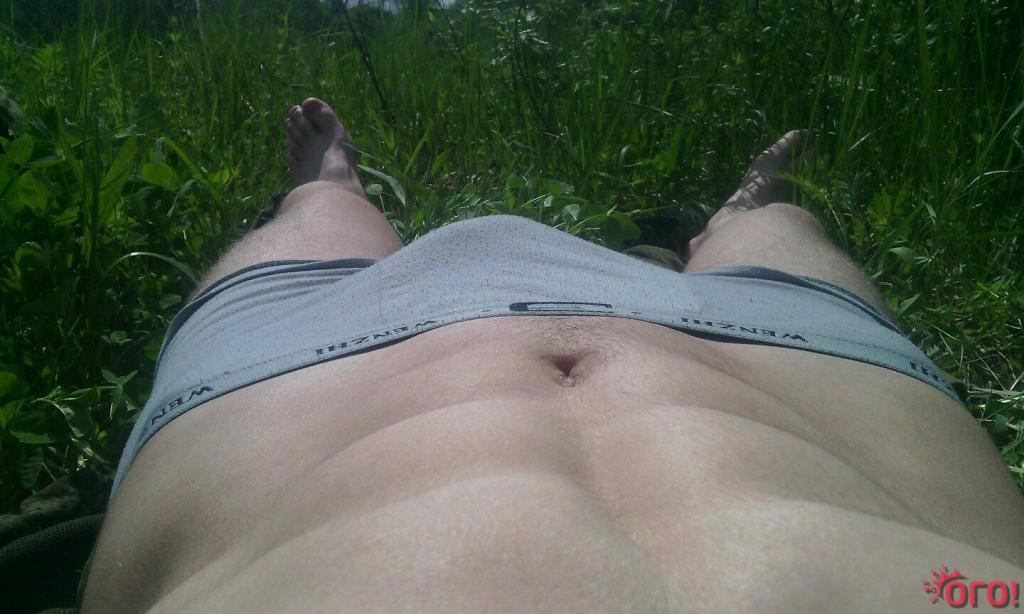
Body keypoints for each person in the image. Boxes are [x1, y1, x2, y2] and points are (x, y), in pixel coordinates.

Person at [82, 98, 1024, 612]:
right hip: (801, 361)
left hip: (306, 373)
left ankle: (328, 191)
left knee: (315, 232)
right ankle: (743, 217)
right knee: (785, 238)